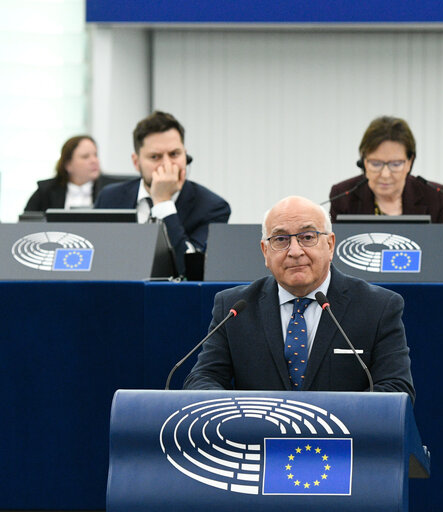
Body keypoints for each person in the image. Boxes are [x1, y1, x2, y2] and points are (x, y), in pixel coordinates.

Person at [183, 195, 415, 401]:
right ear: (265, 251)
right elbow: (202, 379)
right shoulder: (234, 308)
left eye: (307, 237)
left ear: (330, 244)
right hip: (258, 441)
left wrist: (324, 421)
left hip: (343, 445)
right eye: (281, 240)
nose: (295, 251)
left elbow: (396, 388)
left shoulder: (378, 307)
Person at [95, 111, 231, 274]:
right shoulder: (109, 198)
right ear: (136, 162)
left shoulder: (212, 207)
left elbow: (191, 273)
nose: (167, 165)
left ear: (185, 156)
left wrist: (163, 203)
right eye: (155, 157)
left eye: (174, 154)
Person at [329, 116, 443, 223]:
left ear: (409, 162)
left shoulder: (437, 197)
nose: (385, 174)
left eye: (395, 164)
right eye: (376, 163)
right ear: (363, 162)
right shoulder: (343, 196)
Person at [24, 135, 120, 212]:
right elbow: (26, 224)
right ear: (68, 164)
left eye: (95, 155)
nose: (94, 160)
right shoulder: (46, 191)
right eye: (85, 157)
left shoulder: (112, 190)